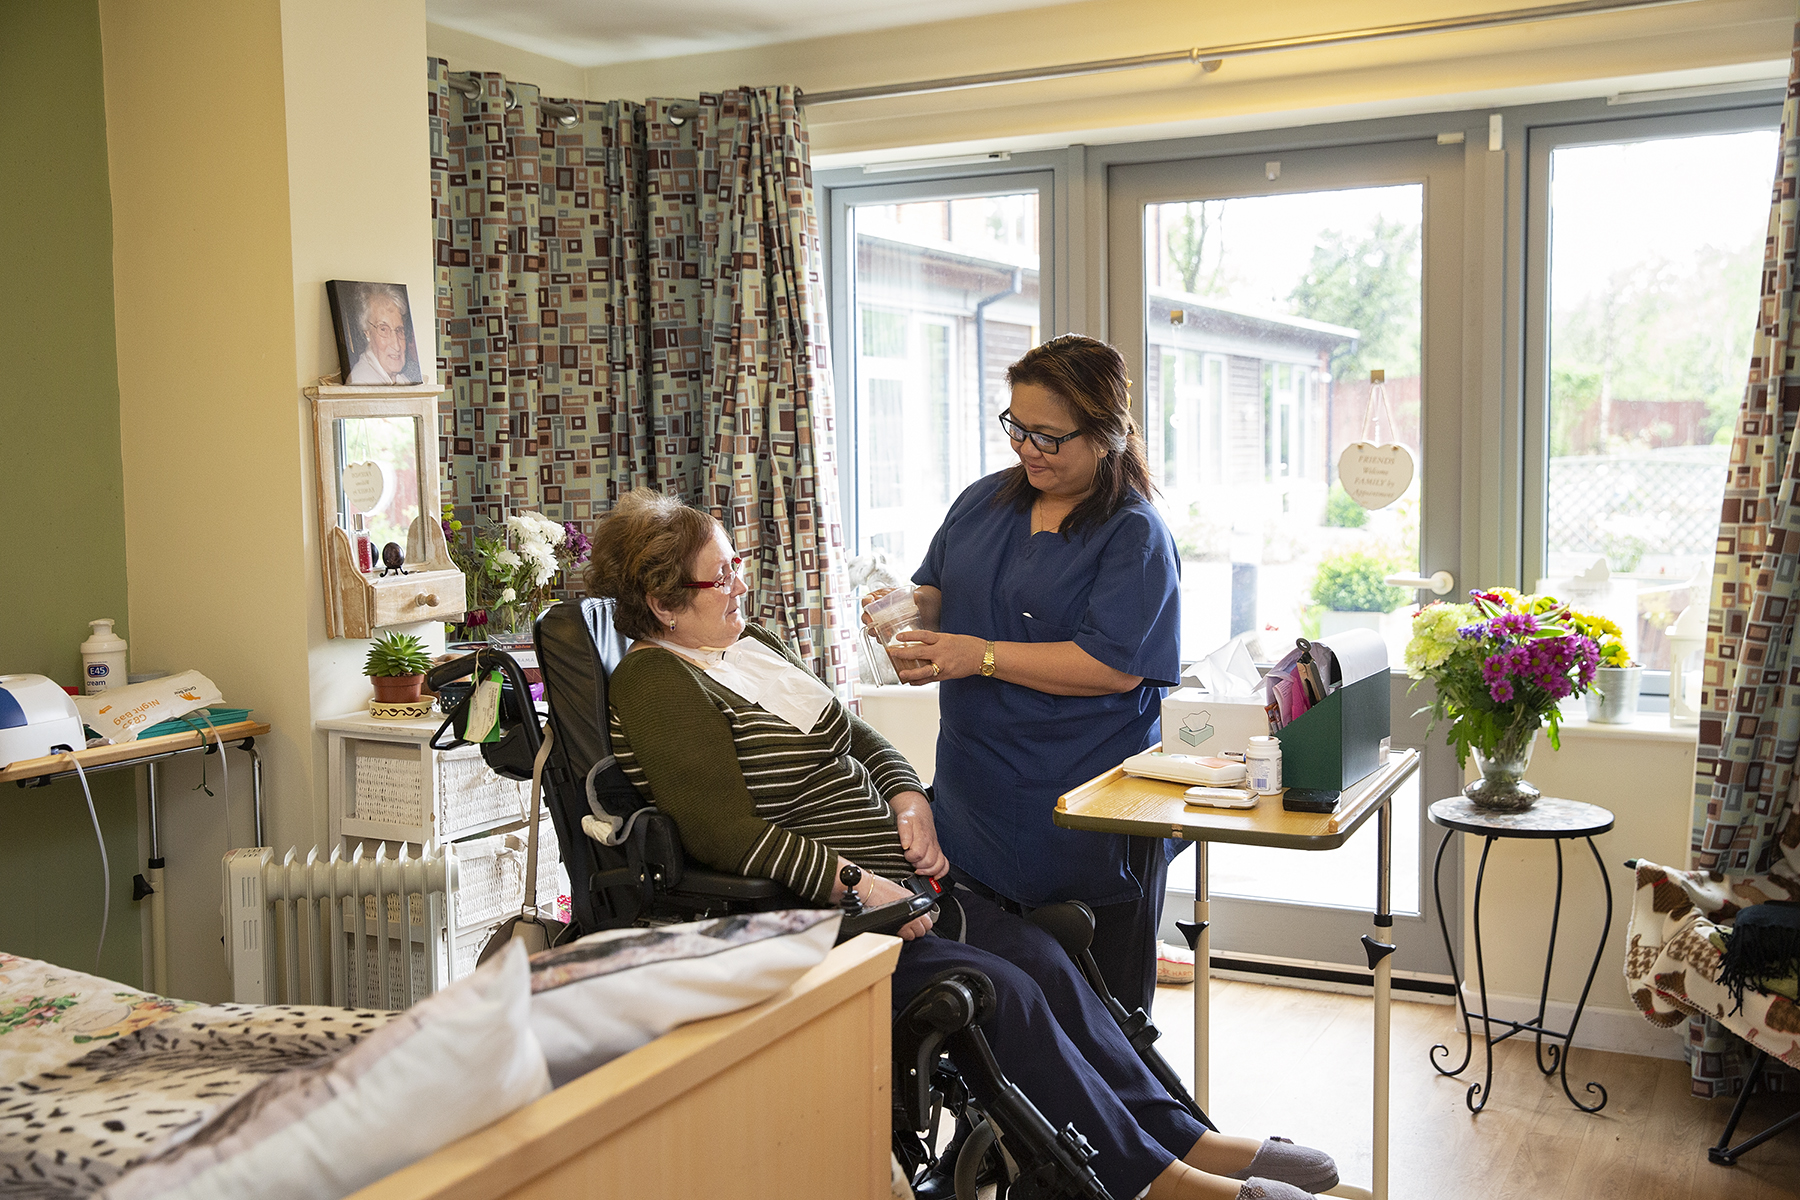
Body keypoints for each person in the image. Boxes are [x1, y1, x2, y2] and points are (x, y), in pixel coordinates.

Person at [584, 488, 1337, 1200]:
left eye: (736, 565)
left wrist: (909, 797)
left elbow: (859, 737)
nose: (740, 586)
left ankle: (1183, 1139)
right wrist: (859, 885)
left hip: (901, 888)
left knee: (1043, 956)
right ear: (661, 603)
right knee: (999, 992)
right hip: (825, 920)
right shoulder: (657, 684)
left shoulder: (751, 646)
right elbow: (725, 832)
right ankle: (1152, 1183)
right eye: (721, 578)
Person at [888, 334, 1182, 1016]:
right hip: (976, 805)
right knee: (993, 1014)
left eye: (1049, 437)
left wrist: (979, 655)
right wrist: (906, 617)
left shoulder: (1134, 535)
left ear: (1106, 434)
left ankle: (1127, 1123)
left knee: (1102, 1021)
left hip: (1085, 816)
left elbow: (1111, 667)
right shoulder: (983, 502)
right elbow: (937, 589)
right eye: (1017, 428)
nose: (1027, 450)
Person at [346, 284, 420, 384]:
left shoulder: (401, 379)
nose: (396, 345)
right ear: (367, 332)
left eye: (399, 330)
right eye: (383, 329)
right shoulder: (361, 382)